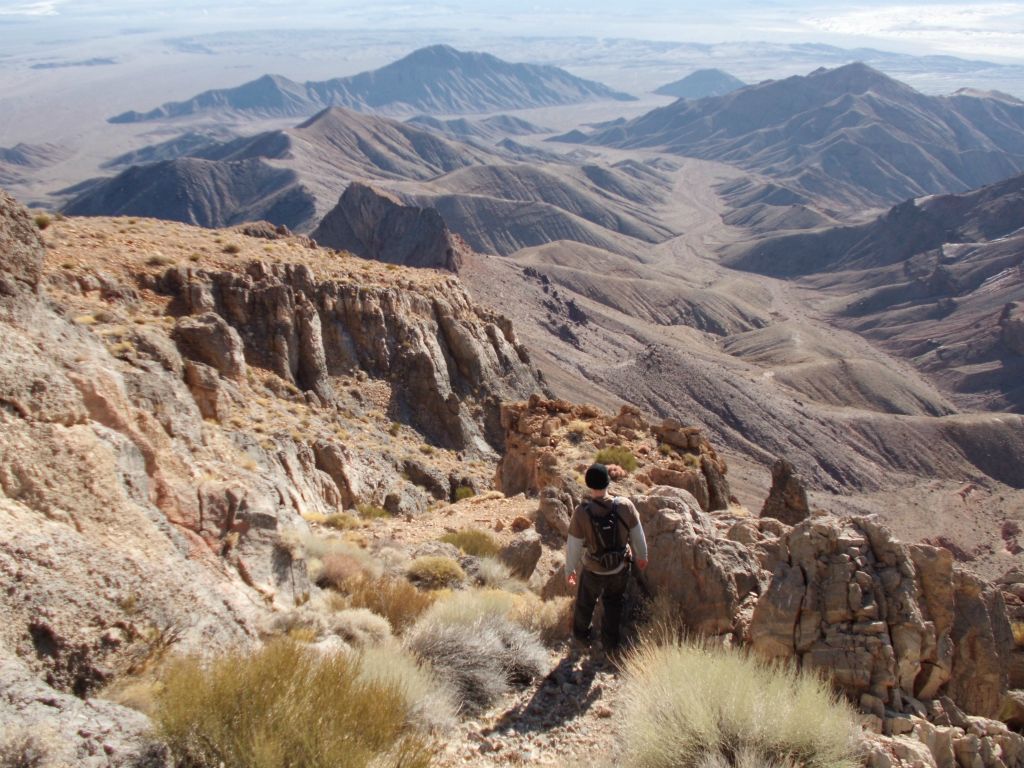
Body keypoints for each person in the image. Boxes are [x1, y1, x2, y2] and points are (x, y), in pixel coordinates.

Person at [565, 462, 648, 658]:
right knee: (614, 604)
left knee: (585, 603)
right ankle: (610, 644)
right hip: (620, 568)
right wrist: (642, 557)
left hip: (593, 569)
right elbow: (638, 536)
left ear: (588, 484)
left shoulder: (581, 513)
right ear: (608, 482)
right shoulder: (625, 506)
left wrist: (570, 571)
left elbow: (573, 546)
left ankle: (581, 638)